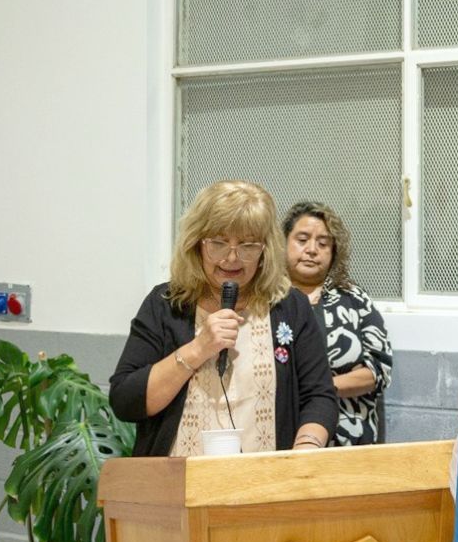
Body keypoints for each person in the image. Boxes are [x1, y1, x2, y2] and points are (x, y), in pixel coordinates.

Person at [110, 180, 338, 457]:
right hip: (176, 485)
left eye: (247, 246)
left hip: (265, 484)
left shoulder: (289, 306)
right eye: (218, 244)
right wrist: (197, 349)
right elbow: (125, 401)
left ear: (264, 250)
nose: (232, 258)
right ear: (196, 244)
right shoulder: (166, 304)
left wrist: (306, 448)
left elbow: (319, 396)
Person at [282, 201, 393, 446]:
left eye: (323, 243)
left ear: (333, 252)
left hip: (349, 440)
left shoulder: (354, 299)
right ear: (283, 243)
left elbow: (378, 371)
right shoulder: (268, 301)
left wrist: (319, 388)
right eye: (302, 240)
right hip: (283, 438)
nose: (312, 250)